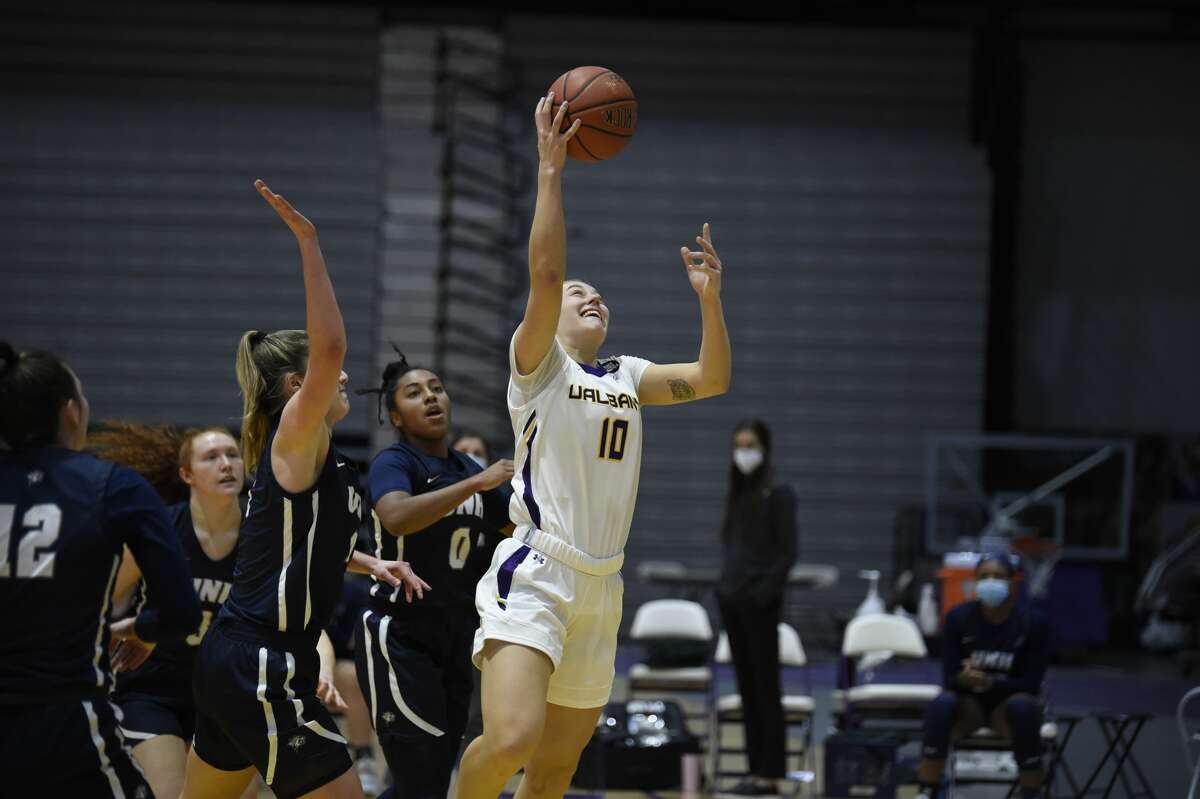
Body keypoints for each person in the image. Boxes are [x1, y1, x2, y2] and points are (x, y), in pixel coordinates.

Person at [454, 91, 732, 799]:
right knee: (512, 739)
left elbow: (711, 379)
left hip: (602, 585)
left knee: (555, 768)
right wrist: (551, 169)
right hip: (538, 570)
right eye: (581, 293)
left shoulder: (627, 375)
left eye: (600, 295)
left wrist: (708, 299)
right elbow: (545, 275)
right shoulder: (538, 363)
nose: (591, 297)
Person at [180, 180, 428, 799]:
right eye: (321, 373)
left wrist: (367, 561)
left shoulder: (319, 456)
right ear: (296, 385)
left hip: (243, 658)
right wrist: (310, 243)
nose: (342, 374)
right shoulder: (297, 430)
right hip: (261, 661)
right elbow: (333, 346)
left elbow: (304, 543)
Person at [0, 343, 201, 796]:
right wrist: (143, 628)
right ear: (71, 412)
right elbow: (181, 614)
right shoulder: (112, 486)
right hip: (64, 717)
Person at [358, 353, 514, 799]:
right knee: (420, 776)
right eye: (414, 393)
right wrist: (474, 486)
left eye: (436, 388)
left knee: (427, 782)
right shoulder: (396, 462)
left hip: (457, 633)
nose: (430, 397)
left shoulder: (468, 470)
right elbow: (395, 517)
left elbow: (524, 534)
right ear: (395, 417)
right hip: (400, 632)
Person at [916, 554, 1050, 799]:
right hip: (971, 707)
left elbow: (1031, 685)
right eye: (984, 577)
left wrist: (992, 682)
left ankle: (1031, 791)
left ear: (1012, 582)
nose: (991, 582)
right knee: (941, 703)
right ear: (975, 582)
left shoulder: (1033, 623)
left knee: (1024, 707)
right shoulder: (958, 618)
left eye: (998, 577)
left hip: (1007, 707)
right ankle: (927, 790)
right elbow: (949, 679)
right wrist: (964, 679)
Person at [715, 419, 797, 797]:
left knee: (766, 687)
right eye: (738, 444)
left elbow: (786, 554)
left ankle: (771, 772)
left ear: (764, 447)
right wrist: (726, 590)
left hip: (760, 604)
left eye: (750, 444)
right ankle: (754, 770)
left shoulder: (779, 492)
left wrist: (763, 594)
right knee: (747, 687)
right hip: (733, 601)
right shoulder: (739, 490)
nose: (743, 451)